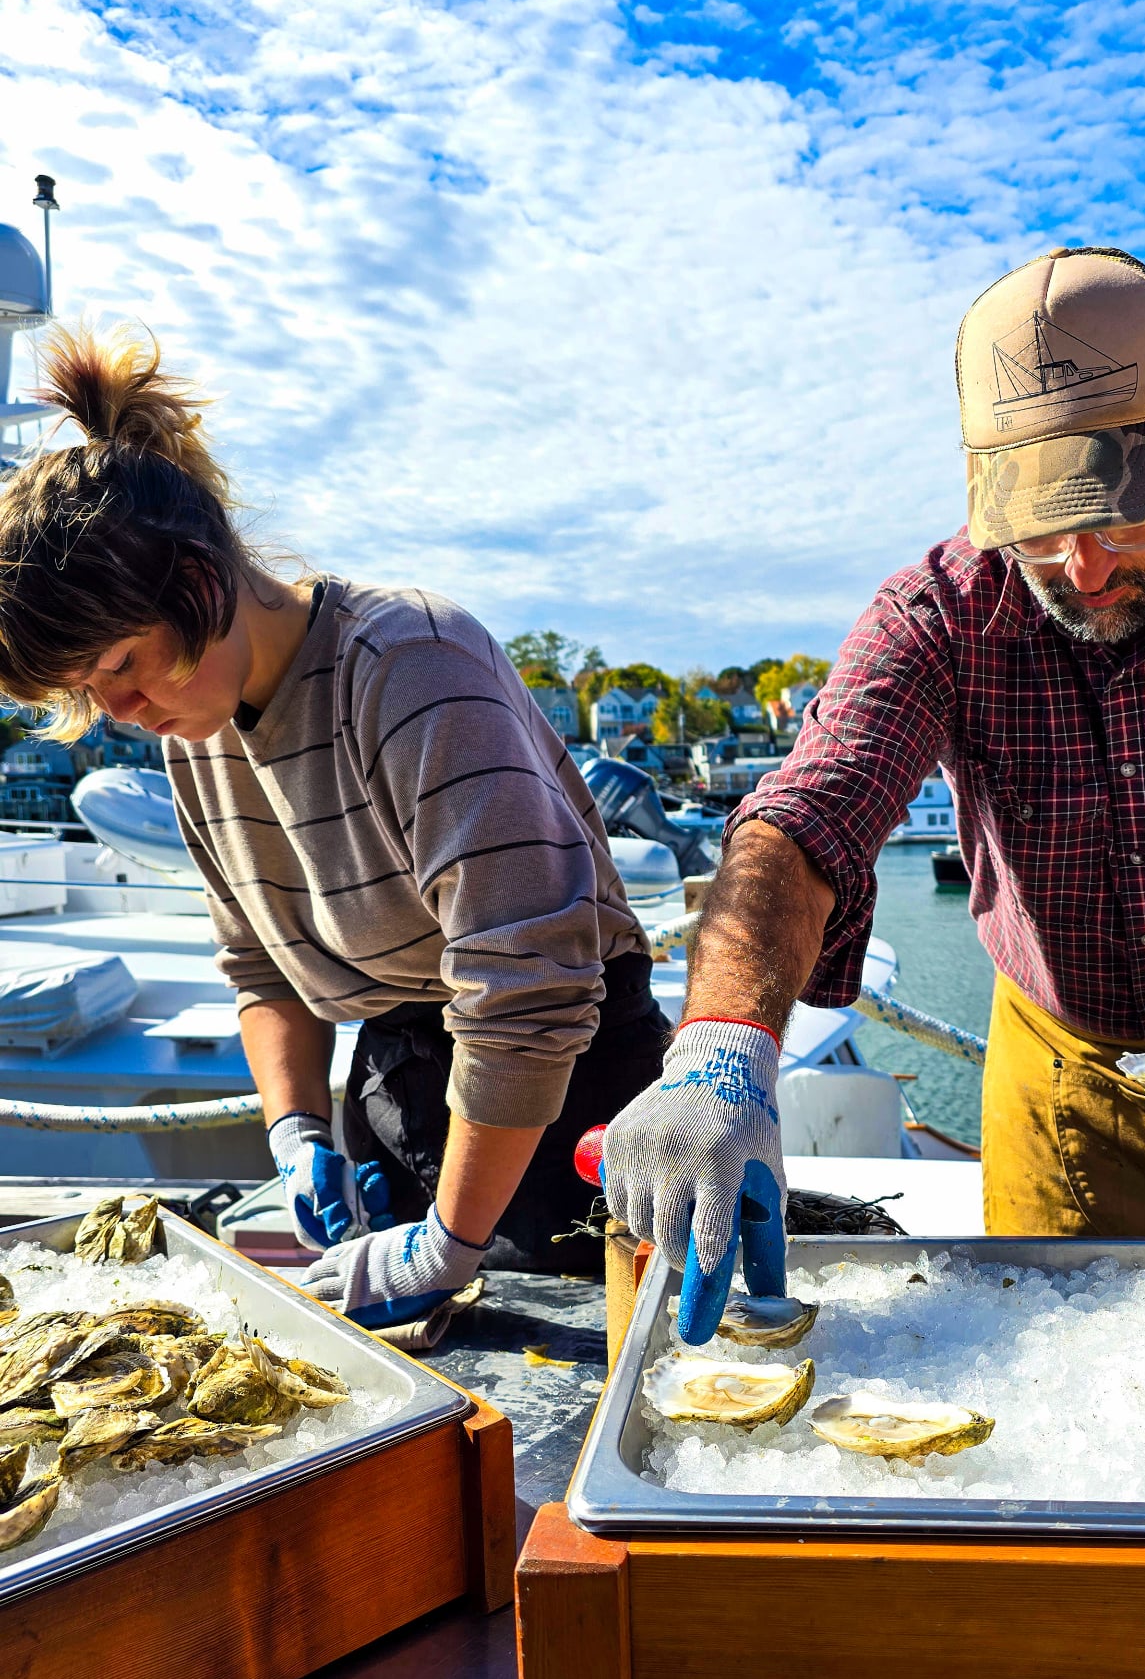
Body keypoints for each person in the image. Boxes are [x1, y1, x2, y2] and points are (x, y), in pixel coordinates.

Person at [603, 245, 1145, 1270]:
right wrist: (721, 1046)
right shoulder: (938, 612)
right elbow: (805, 820)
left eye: (1125, 514)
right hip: (1052, 1079)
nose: (1083, 569)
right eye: (1040, 529)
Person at [0, 328, 668, 1324]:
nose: (121, 713)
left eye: (124, 666)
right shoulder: (196, 733)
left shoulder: (410, 664)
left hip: (569, 1096)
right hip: (402, 1085)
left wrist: (447, 1242)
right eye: (90, 692)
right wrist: (297, 1129)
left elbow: (528, 990)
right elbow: (262, 967)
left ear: (200, 580)